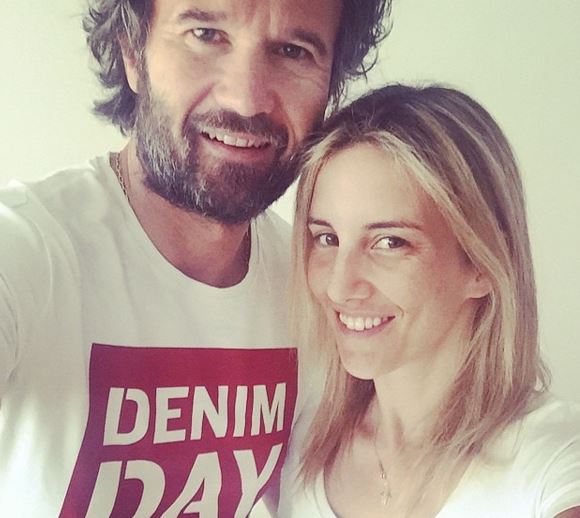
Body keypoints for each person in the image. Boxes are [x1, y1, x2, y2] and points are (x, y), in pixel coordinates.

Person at [0, 0, 391, 515]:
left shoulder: (319, 287)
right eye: (205, 34)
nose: (246, 98)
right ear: (132, 52)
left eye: (293, 51)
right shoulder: (28, 246)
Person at [279, 85, 580, 517]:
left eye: (390, 242)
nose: (339, 288)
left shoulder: (551, 460)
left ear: (481, 263)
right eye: (326, 238)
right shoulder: (301, 441)